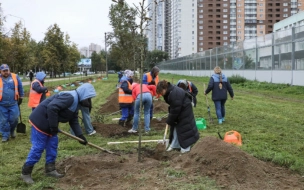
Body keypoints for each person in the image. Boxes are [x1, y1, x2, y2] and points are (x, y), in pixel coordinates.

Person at [21, 83, 96, 184]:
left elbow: (73, 119)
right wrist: (53, 127)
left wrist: (80, 136)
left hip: (50, 123)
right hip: (40, 121)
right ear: (84, 94)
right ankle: (26, 173)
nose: (88, 101)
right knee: (39, 147)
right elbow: (52, 108)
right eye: (88, 98)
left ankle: (50, 170)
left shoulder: (76, 102)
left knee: (52, 145)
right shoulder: (70, 97)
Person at [156, 80, 199, 153]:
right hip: (180, 108)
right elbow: (174, 107)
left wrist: (169, 120)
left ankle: (185, 148)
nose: (161, 94)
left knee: (184, 127)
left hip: (185, 110)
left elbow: (176, 109)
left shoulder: (174, 94)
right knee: (175, 126)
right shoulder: (170, 92)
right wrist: (171, 119)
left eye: (161, 92)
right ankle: (175, 145)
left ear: (164, 88)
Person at [0, 64, 24, 142]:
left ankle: (12, 130)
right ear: (1, 71)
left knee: (14, 119)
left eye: (7, 70)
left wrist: (21, 97)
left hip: (13, 103)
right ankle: (5, 135)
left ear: (9, 70)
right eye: (4, 71)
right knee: (3, 120)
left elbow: (20, 86)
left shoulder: (15, 77)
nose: (6, 72)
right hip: (2, 104)